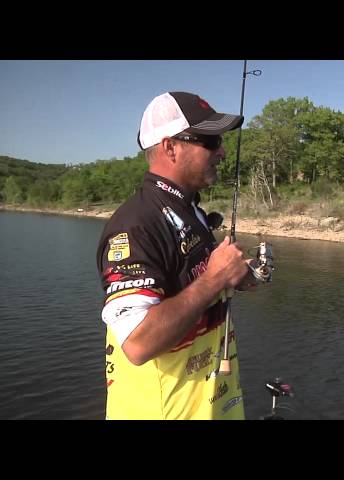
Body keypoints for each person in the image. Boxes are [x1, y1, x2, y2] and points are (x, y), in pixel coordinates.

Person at [96, 91, 258, 419]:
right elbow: (139, 343)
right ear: (170, 147)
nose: (222, 151)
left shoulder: (190, 211)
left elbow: (196, 284)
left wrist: (236, 275)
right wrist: (215, 279)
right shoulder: (136, 225)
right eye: (210, 141)